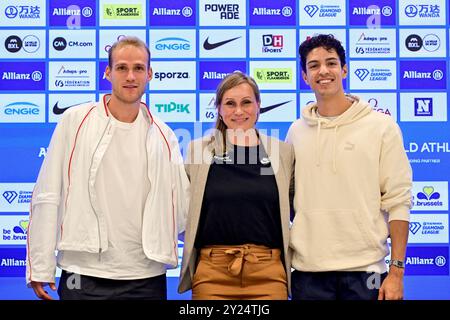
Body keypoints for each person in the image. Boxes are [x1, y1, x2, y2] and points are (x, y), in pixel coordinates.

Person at [26, 36, 189, 300]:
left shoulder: (165, 135)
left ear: (149, 74)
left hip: (145, 276)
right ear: (108, 73)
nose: (130, 76)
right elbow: (47, 193)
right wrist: (40, 266)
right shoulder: (75, 121)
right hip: (83, 272)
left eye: (138, 68)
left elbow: (181, 208)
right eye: (122, 68)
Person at [286, 34, 412, 300]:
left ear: (344, 69)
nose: (323, 71)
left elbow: (399, 201)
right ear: (305, 77)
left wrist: (397, 272)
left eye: (331, 63)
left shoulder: (382, 127)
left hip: (366, 273)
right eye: (314, 65)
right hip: (308, 274)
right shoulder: (296, 132)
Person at [178, 71, 295, 299]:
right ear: (219, 110)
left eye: (246, 103)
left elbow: (296, 207)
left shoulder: (282, 152)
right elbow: (183, 210)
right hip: (212, 274)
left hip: (268, 274)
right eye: (230, 103)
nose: (239, 111)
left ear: (258, 106)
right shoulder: (197, 151)